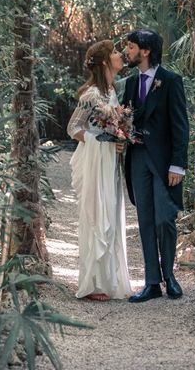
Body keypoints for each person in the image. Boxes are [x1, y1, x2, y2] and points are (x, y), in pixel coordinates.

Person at [122, 29, 189, 302]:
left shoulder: (170, 81)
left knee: (165, 218)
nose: (127, 51)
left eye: (131, 46)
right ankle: (151, 283)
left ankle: (169, 276)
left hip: (163, 163)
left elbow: (180, 126)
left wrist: (178, 165)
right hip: (137, 159)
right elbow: (126, 120)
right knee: (145, 221)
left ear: (145, 51)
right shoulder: (129, 83)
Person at [67, 40, 132, 301]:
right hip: (94, 163)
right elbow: (73, 128)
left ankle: (108, 280)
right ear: (105, 61)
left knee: (111, 213)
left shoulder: (112, 93)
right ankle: (92, 284)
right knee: (96, 215)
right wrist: (100, 143)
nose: (120, 55)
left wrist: (117, 141)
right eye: (116, 52)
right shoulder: (91, 94)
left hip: (109, 164)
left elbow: (111, 128)